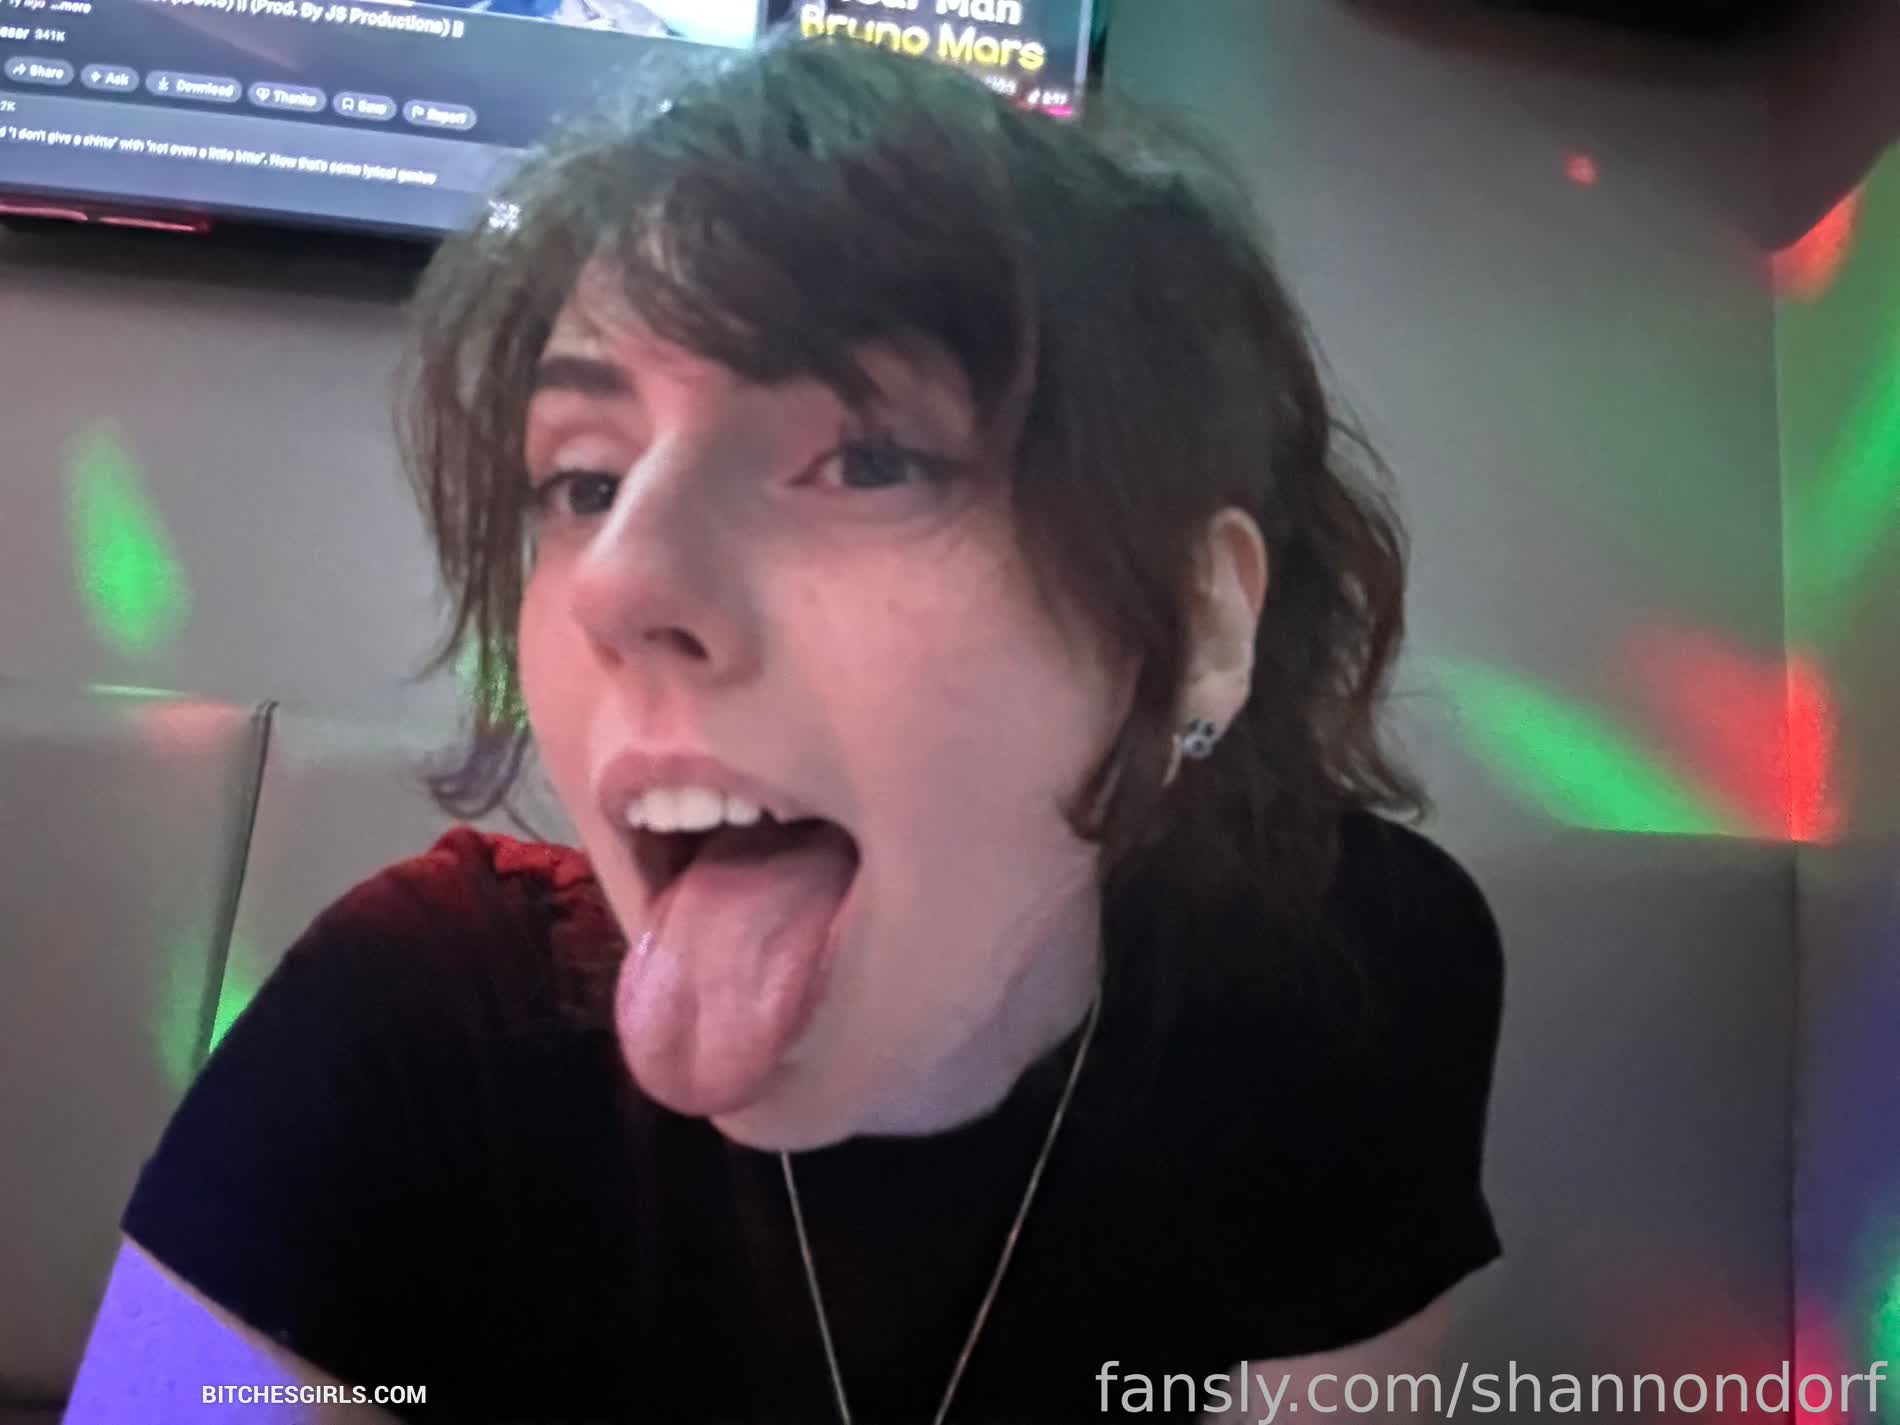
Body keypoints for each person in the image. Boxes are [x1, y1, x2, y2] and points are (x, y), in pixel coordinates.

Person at [67, 35, 1505, 1425]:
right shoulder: (401, 1034)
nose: (619, 583)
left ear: (1197, 626)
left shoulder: (1349, 979)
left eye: (867, 457)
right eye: (583, 482)